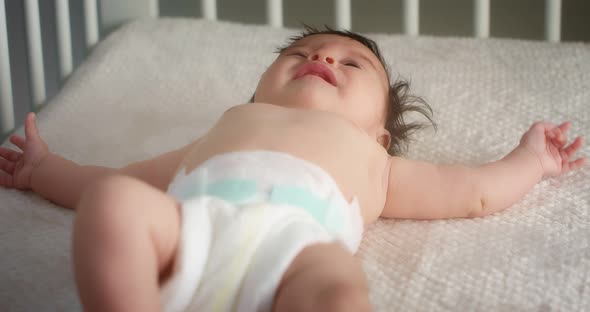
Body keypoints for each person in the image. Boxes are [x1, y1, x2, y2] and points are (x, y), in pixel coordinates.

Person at [0, 25, 586, 312]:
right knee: (114, 207)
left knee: (339, 287)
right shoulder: (226, 128)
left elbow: (474, 193)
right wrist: (45, 170)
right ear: (257, 96)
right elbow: (118, 179)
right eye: (299, 55)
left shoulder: (374, 161)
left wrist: (530, 160)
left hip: (296, 257)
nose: (323, 58)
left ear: (380, 132)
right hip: (189, 237)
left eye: (352, 64)